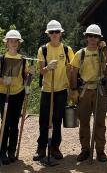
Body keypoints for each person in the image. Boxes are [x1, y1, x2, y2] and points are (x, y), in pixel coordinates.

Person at [70, 24, 107, 162]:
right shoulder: (80, 53)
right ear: (86, 37)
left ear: (99, 38)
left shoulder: (103, 53)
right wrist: (73, 90)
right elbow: (73, 72)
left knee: (100, 122)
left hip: (99, 90)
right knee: (84, 122)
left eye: (96, 36)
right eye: (90, 36)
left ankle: (100, 151)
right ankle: (85, 150)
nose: (93, 38)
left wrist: (106, 50)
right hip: (84, 91)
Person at [33, 20, 74, 161]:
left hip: (61, 90)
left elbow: (71, 69)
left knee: (57, 120)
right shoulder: (43, 49)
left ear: (61, 33)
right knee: (44, 120)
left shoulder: (67, 50)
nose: (55, 34)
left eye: (57, 32)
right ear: (48, 34)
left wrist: (72, 88)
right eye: (52, 32)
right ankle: (41, 147)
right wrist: (48, 67)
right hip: (47, 90)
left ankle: (55, 147)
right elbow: (42, 71)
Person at [0, 30, 31, 165]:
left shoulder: (23, 60)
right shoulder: (1, 59)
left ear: (19, 43)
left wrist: (31, 76)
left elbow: (26, 78)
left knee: (14, 124)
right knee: (5, 123)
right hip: (3, 94)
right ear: (6, 43)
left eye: (15, 41)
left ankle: (12, 150)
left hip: (18, 93)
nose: (13, 43)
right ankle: (2, 151)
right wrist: (2, 81)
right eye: (11, 40)